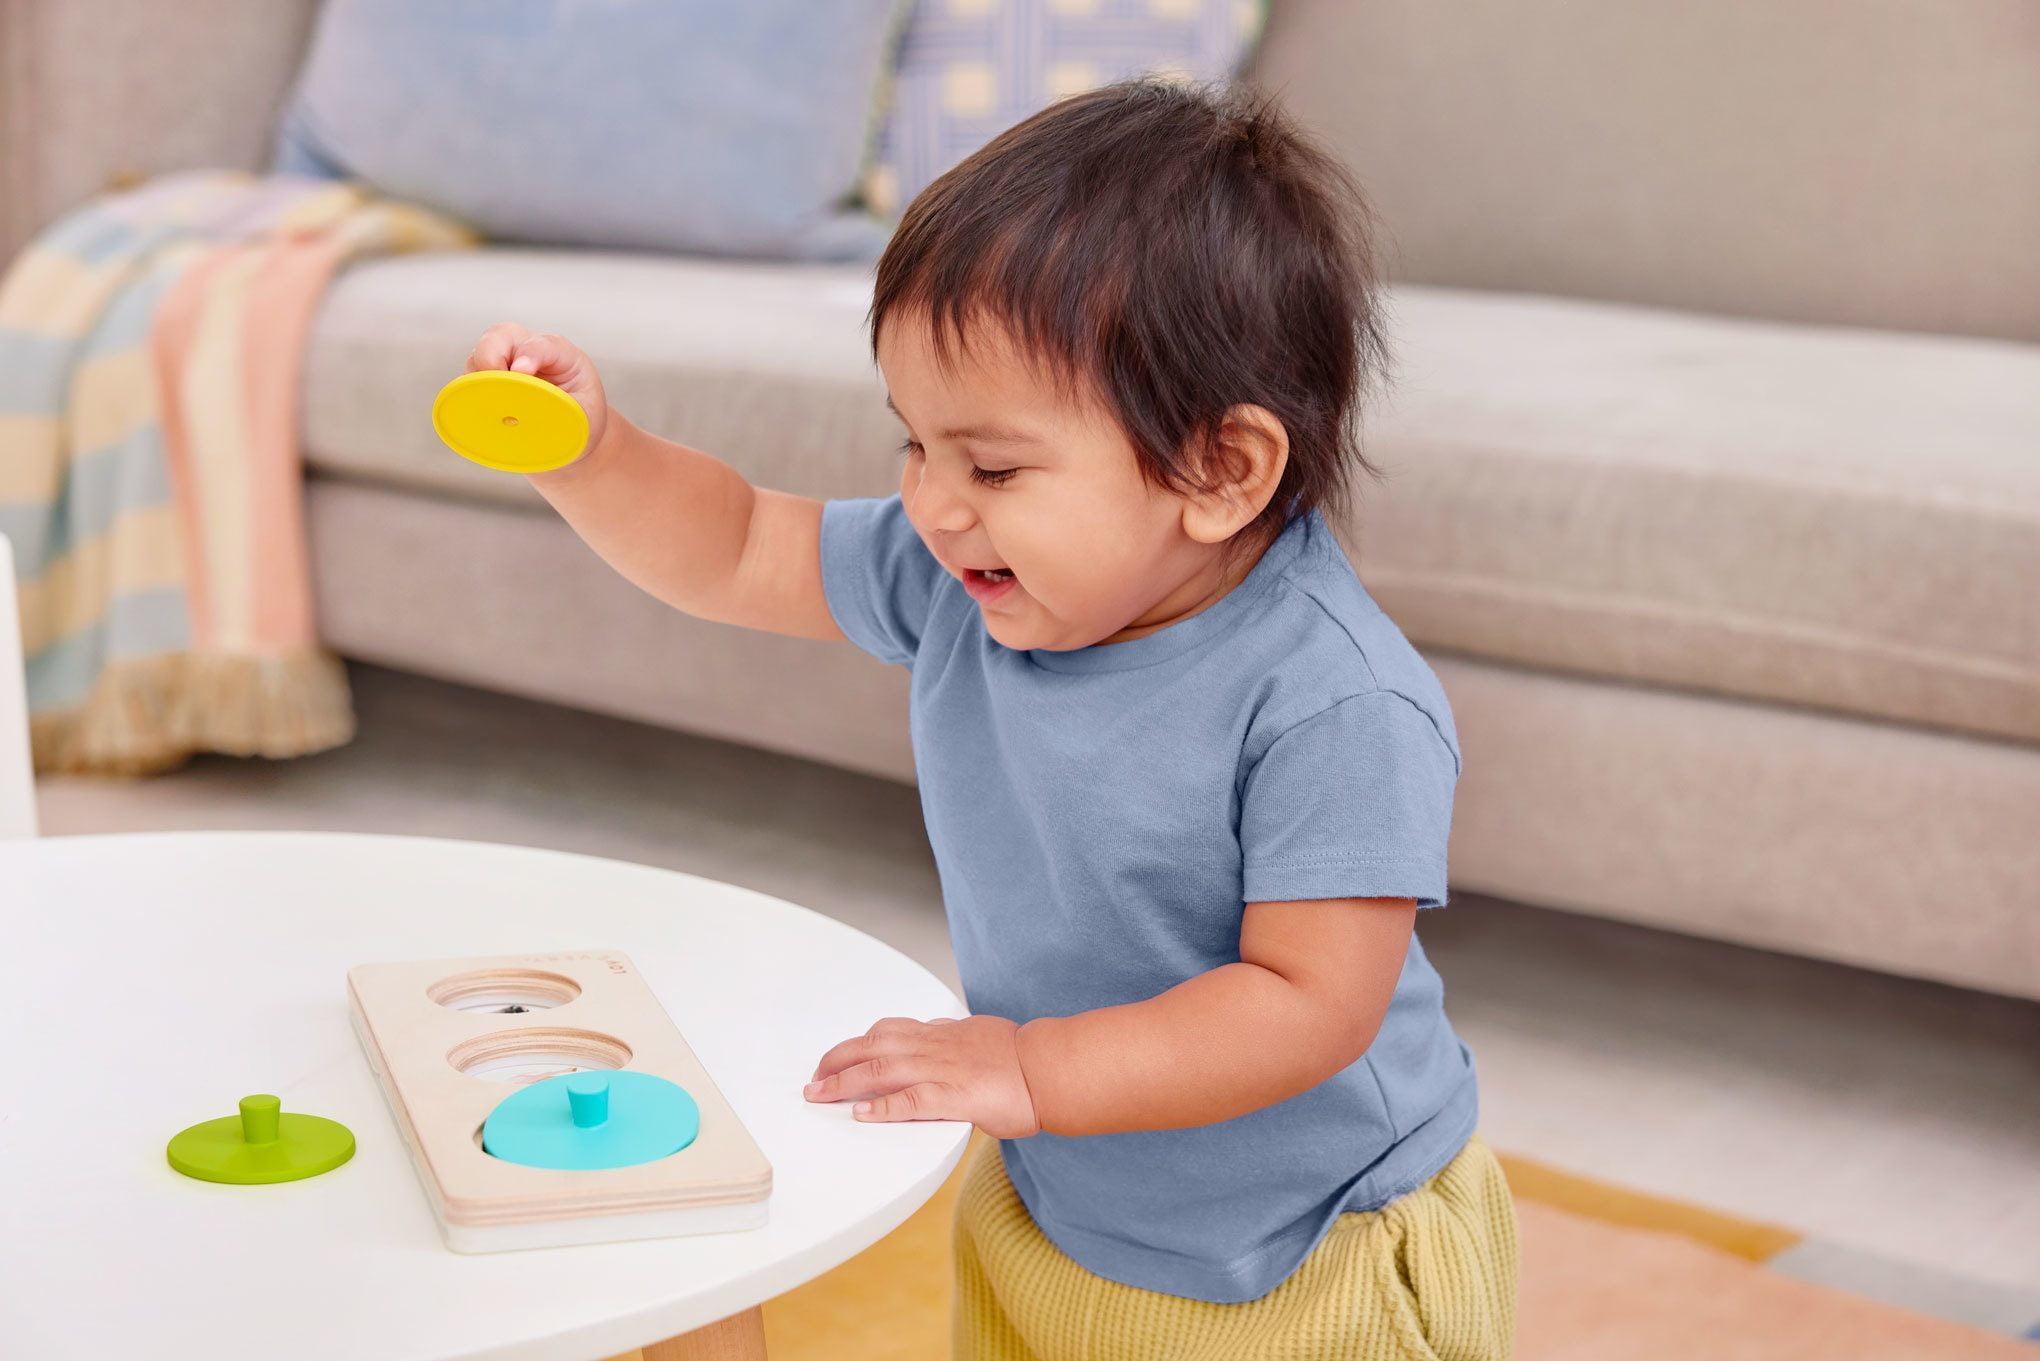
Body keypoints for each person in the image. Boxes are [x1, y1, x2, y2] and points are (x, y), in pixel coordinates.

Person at [460, 78, 1516, 1361]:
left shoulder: (1337, 703)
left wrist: (1030, 1068)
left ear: (1221, 470)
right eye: (916, 445)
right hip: (1061, 1189)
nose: (935, 505)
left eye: (995, 467)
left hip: (1310, 1252)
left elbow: (1307, 1002)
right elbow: (735, 546)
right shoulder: (968, 577)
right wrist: (593, 454)